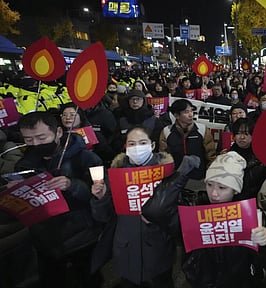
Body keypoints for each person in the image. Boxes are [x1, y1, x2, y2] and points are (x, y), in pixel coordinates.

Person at [90, 126, 199, 288]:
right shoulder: (115, 174)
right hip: (126, 247)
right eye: (132, 144)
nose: (137, 148)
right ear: (125, 147)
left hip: (158, 246)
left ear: (152, 145)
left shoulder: (167, 174)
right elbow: (103, 217)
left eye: (142, 143)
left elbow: (177, 216)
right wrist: (100, 198)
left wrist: (158, 218)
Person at [15, 111, 103, 288]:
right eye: (29, 139)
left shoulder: (86, 158)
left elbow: (101, 194)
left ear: (59, 132)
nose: (35, 144)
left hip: (82, 237)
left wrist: (72, 185)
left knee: (87, 279)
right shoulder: (24, 165)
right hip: (45, 239)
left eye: (41, 137)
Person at [181, 151, 266, 288]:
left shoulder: (249, 215)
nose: (214, 193)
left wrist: (264, 241)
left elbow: (259, 260)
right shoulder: (195, 207)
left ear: (235, 190)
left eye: (222, 188)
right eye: (209, 185)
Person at [159, 99, 216, 189]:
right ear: (176, 115)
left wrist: (210, 176)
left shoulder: (202, 129)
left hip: (199, 179)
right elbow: (164, 157)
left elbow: (211, 156)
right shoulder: (167, 131)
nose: (190, 115)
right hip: (175, 181)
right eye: (186, 112)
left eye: (191, 111)